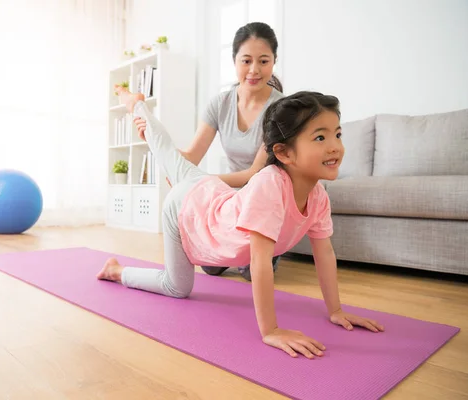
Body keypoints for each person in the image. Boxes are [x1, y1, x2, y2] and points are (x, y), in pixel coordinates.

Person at [97, 86, 385, 359]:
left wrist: (335, 310)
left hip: (209, 190)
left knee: (167, 152)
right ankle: (117, 272)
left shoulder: (318, 195)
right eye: (321, 138)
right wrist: (271, 330)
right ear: (284, 153)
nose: (335, 146)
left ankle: (136, 104)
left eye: (338, 134)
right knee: (176, 287)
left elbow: (325, 253)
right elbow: (259, 263)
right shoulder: (269, 186)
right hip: (187, 210)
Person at [135, 22, 285, 281]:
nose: (254, 70)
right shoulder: (220, 103)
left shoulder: (281, 108)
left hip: (262, 199)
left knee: (252, 273)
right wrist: (153, 140)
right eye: (246, 60)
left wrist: (199, 184)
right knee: (211, 267)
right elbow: (191, 156)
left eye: (263, 61)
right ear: (234, 60)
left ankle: (266, 250)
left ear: (274, 61)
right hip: (229, 200)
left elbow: (253, 174)